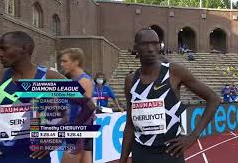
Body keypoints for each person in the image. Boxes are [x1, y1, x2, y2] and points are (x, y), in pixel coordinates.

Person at [119, 28, 221, 163]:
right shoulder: (131, 80)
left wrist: (193, 136)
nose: (150, 48)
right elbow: (130, 124)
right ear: (136, 47)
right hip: (141, 153)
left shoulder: (174, 72)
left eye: (155, 43)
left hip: (170, 152)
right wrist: (123, 160)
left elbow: (214, 99)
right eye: (145, 44)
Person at [0, 31, 71, 162]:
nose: (0, 53)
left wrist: (57, 136)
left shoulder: (50, 77)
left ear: (24, 48)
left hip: (35, 157)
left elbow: (86, 107)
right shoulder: (1, 78)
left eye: (4, 48)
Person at [59, 48, 96, 163]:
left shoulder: (83, 81)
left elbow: (87, 108)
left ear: (76, 62)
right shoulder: (74, 80)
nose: (62, 64)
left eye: (65, 61)